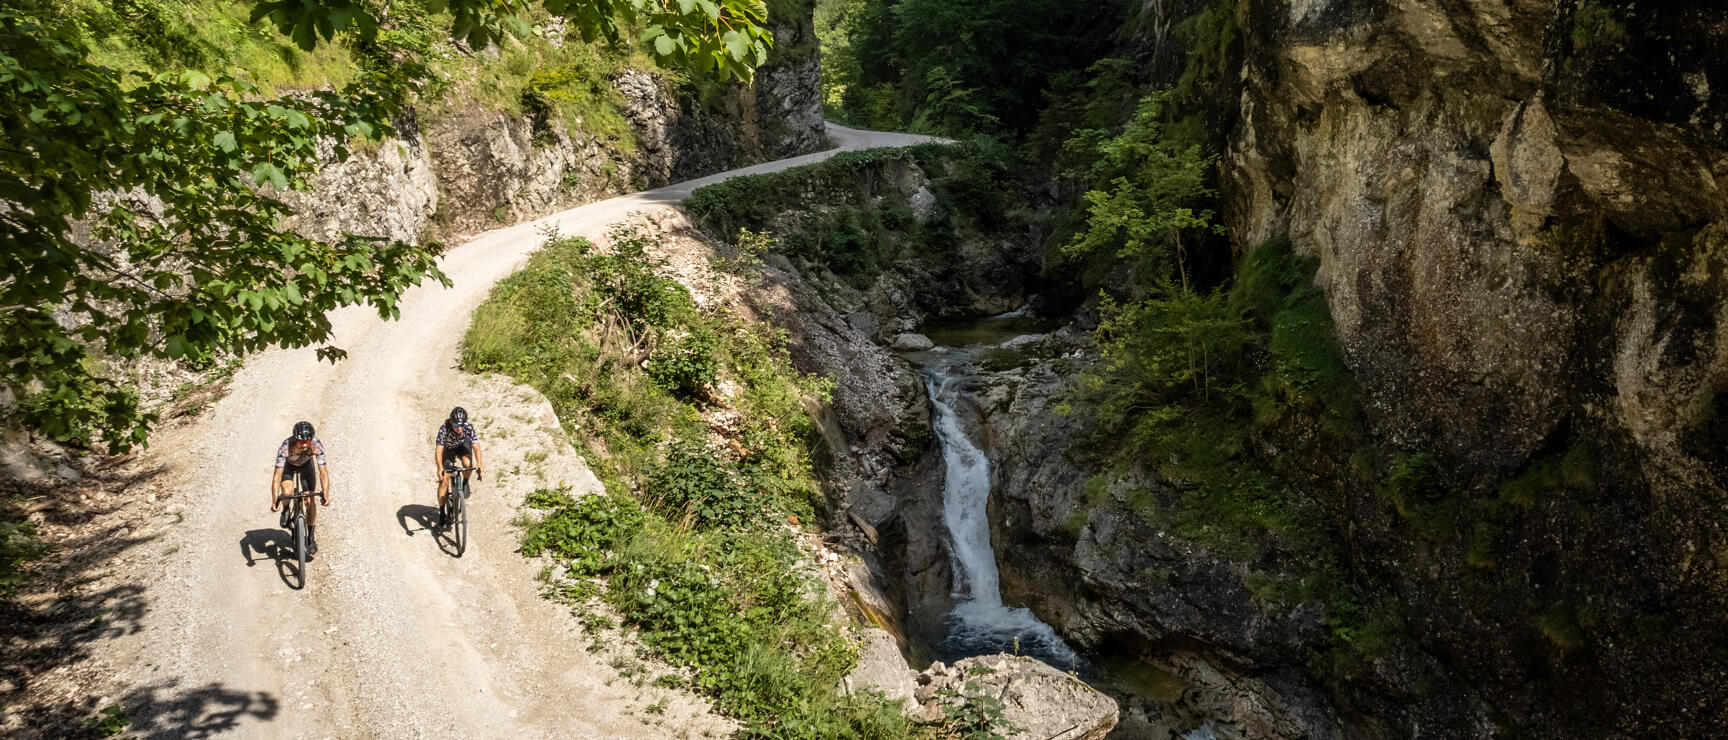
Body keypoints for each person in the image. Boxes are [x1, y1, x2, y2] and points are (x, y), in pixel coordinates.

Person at [270, 420, 331, 554]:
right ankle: (286, 509)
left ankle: (310, 538)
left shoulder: (316, 444)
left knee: (310, 501)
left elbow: (323, 472)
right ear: (294, 439)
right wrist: (275, 499)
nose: (304, 444)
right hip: (289, 466)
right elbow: (276, 477)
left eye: (307, 442)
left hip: (306, 465)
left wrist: (325, 493)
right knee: (286, 491)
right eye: (300, 441)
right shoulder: (285, 447)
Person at [434, 407, 482, 527]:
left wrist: (479, 463)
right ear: (451, 422)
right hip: (448, 449)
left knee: (467, 464)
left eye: (461, 425)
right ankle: (442, 513)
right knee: (444, 481)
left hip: (461, 445)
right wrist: (440, 467)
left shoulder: (468, 427)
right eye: (456, 425)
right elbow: (439, 450)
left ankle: (465, 483)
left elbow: (476, 446)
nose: (459, 428)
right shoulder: (444, 429)